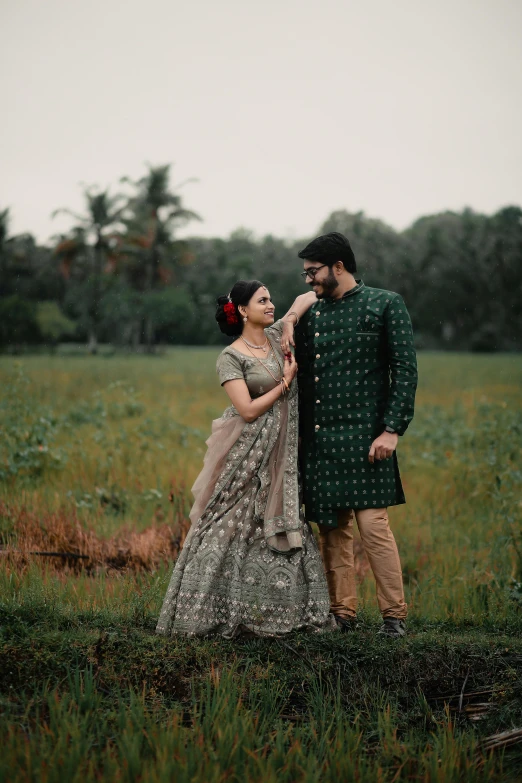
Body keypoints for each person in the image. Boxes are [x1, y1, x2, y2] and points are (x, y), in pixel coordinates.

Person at [156, 279, 333, 638]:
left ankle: (280, 613)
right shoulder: (230, 357)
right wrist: (284, 384)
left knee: (280, 518)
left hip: (283, 453)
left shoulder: (275, 338)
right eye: (262, 300)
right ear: (241, 309)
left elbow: (310, 294)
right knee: (228, 522)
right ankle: (212, 610)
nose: (270, 305)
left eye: (271, 299)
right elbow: (248, 410)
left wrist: (289, 320)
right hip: (247, 451)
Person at [281, 232, 418, 638]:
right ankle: (343, 616)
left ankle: (394, 618)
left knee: (374, 528)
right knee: (332, 530)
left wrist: (392, 430)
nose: (308, 280)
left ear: (338, 266)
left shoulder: (385, 303)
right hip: (321, 439)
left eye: (313, 272)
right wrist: (290, 316)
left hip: (369, 439)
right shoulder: (313, 314)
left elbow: (405, 371)